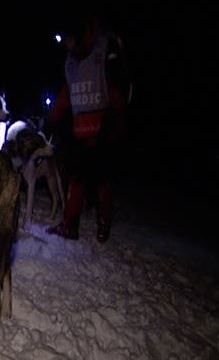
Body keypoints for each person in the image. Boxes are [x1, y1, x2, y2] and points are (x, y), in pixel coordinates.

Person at [46, 13, 129, 243]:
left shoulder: (102, 52)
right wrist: (53, 116)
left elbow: (115, 90)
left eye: (69, 40)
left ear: (79, 35)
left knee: (102, 181)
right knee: (77, 179)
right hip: (80, 132)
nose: (67, 45)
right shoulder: (71, 62)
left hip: (103, 129)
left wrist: (117, 121)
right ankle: (70, 226)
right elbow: (68, 92)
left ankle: (104, 226)